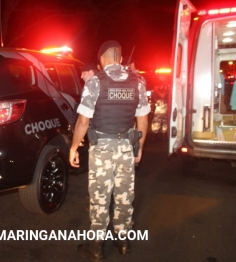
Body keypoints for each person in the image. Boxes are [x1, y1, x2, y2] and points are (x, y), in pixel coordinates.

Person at [69, 40, 150, 260]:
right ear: (121, 59)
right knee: (124, 195)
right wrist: (138, 148)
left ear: (101, 59)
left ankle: (96, 247)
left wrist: (74, 147)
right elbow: (143, 121)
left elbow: (83, 121)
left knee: (100, 197)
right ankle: (123, 242)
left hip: (102, 149)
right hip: (126, 146)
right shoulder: (138, 82)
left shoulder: (95, 82)